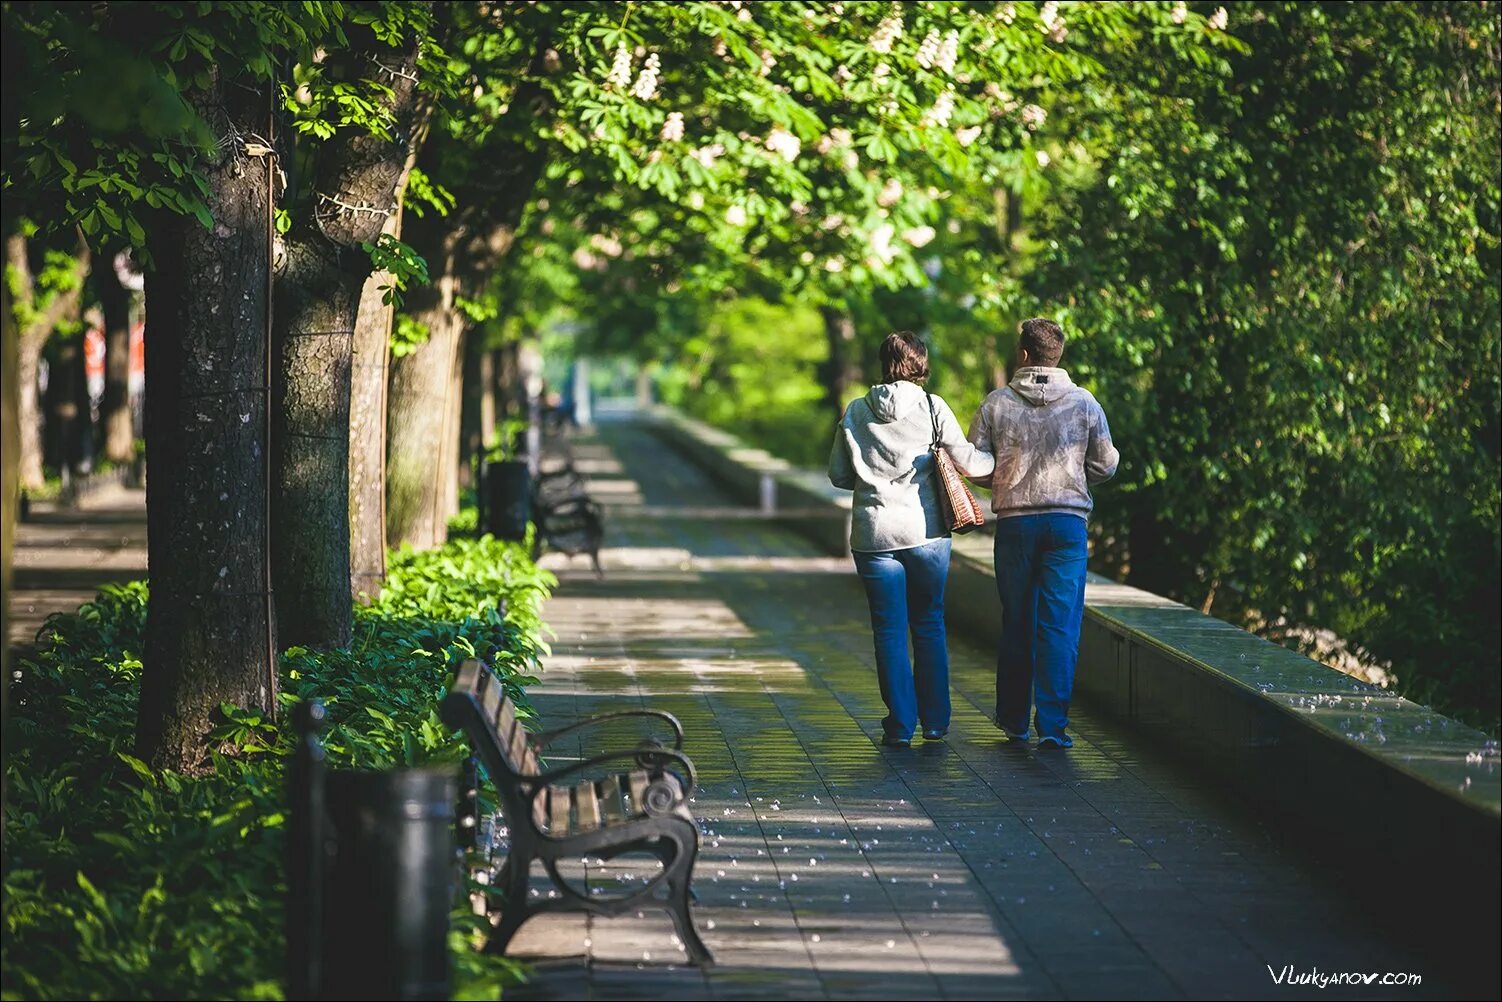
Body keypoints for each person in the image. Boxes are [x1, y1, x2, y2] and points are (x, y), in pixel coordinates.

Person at [828, 331, 995, 748]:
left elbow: (838, 475)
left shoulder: (854, 412)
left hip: (874, 535)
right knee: (929, 624)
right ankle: (935, 722)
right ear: (920, 362)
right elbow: (968, 461)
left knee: (888, 631)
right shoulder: (932, 406)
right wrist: (1005, 459)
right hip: (926, 534)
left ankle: (900, 726)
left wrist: (870, 476)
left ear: (884, 362)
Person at [968, 318, 1119, 750]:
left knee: (1017, 621)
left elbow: (977, 464)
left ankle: (1014, 721)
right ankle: (1052, 727)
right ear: (1058, 355)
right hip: (1067, 525)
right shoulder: (1084, 403)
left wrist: (1004, 479)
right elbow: (1106, 464)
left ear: (1023, 354)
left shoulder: (997, 403)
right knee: (1060, 627)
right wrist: (1076, 477)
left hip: (1015, 524)